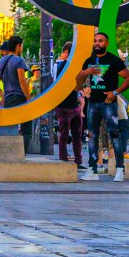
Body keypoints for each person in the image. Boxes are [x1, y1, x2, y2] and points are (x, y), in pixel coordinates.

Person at [78, 31, 129, 181]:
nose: (97, 43)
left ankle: (120, 169)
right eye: (95, 41)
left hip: (108, 104)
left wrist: (115, 92)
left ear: (106, 43)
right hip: (93, 104)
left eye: (100, 41)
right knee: (92, 136)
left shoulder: (114, 61)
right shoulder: (89, 61)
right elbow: (78, 80)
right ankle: (92, 170)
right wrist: (85, 74)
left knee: (114, 135)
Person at [0, 35, 33, 152]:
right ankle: (23, 152)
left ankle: (10, 152)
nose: (22, 49)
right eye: (22, 46)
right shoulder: (19, 61)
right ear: (18, 46)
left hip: (7, 98)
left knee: (10, 127)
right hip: (20, 97)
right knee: (26, 128)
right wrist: (28, 98)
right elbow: (22, 80)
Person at [52, 39, 84, 177]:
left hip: (74, 105)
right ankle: (64, 158)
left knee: (77, 135)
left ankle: (78, 160)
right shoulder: (62, 65)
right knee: (64, 134)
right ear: (67, 53)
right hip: (64, 106)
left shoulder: (73, 66)